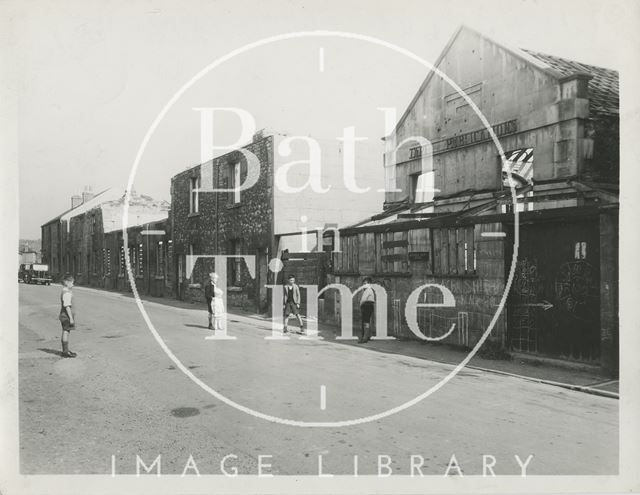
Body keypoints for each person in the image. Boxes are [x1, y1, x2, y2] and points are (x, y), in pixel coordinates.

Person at [58, 274, 77, 358]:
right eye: (72, 283)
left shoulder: (66, 291)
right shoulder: (66, 293)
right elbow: (67, 306)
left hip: (64, 315)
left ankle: (66, 350)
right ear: (67, 282)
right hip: (66, 316)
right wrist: (71, 318)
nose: (73, 284)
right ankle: (65, 351)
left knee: (66, 331)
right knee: (66, 331)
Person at [359, 276, 375, 344]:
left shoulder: (368, 290)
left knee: (366, 322)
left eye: (365, 283)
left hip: (367, 306)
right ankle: (368, 336)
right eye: (363, 283)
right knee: (368, 322)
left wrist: (360, 305)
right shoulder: (369, 290)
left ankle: (365, 338)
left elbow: (363, 299)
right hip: (369, 306)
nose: (364, 285)